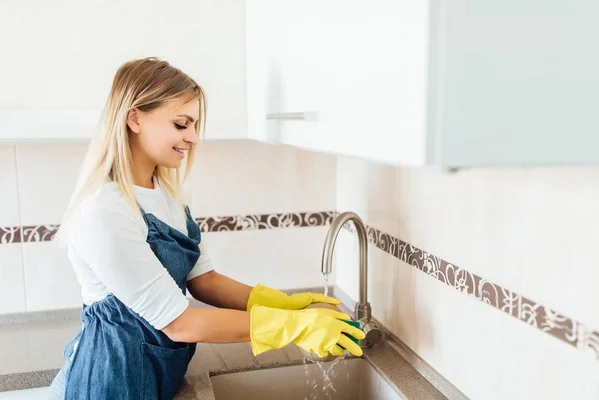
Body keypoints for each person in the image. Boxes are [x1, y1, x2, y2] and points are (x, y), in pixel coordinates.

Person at [48, 57, 365, 399]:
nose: (193, 138)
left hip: (154, 375)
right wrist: (291, 328)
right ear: (134, 117)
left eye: (195, 125)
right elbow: (179, 323)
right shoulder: (105, 210)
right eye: (181, 124)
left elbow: (205, 281)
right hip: (110, 383)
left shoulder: (166, 194)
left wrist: (284, 305)